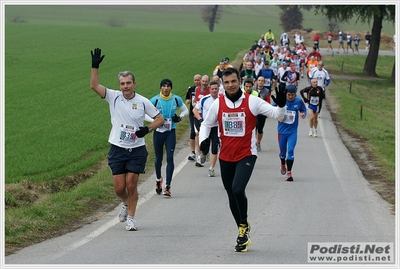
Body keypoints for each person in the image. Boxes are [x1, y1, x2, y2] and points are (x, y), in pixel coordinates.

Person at [199, 67, 287, 252]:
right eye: (227, 82)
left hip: (246, 154)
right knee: (231, 194)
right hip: (225, 156)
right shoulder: (218, 103)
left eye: (233, 81)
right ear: (223, 84)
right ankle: (242, 228)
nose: (230, 85)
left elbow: (278, 115)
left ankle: (243, 225)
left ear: (239, 81)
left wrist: (281, 105)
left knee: (238, 189)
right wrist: (203, 141)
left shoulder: (252, 102)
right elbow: (206, 124)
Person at [89, 48, 164, 231]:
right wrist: (95, 66)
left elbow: (160, 119)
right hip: (117, 148)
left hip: (136, 149)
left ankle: (131, 218)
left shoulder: (143, 101)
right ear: (119, 85)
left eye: (128, 83)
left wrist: (146, 130)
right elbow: (94, 86)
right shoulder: (113, 97)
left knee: (132, 184)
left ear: (134, 84)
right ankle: (124, 202)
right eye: (122, 83)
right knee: (119, 188)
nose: (125, 86)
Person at [149, 79, 188, 197]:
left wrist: (180, 118)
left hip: (170, 132)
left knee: (170, 158)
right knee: (159, 158)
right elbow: (145, 113)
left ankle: (168, 186)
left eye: (168, 86)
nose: (166, 88)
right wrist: (155, 121)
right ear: (160, 88)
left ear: (171, 88)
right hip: (159, 132)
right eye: (164, 86)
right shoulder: (155, 100)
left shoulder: (176, 99)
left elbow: (185, 110)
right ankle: (158, 180)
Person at [272, 85, 306, 181]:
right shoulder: (281, 100)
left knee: (290, 150)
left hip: (292, 131)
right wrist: (278, 117)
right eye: (288, 95)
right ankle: (283, 163)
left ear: (295, 94)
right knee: (282, 153)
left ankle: (289, 173)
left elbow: (303, 109)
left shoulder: (298, 101)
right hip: (281, 132)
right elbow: (271, 110)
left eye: (292, 95)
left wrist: (303, 114)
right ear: (286, 94)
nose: (290, 97)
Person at [193, 81, 220, 177]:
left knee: (215, 148)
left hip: (217, 127)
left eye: (216, 89)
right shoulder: (205, 99)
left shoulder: (222, 100)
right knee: (204, 145)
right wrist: (200, 119)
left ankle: (211, 168)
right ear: (209, 89)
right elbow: (195, 109)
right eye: (212, 89)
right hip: (206, 126)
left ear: (218, 89)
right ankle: (204, 153)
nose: (214, 91)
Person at [194, 75, 210, 167]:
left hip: (207, 118)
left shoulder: (210, 91)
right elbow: (195, 100)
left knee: (207, 137)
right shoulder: (197, 89)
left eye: (205, 81)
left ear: (208, 82)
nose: (204, 83)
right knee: (198, 135)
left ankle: (205, 152)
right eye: (202, 81)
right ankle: (199, 156)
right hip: (197, 116)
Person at [185, 74, 202, 161]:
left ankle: (202, 151)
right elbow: (187, 99)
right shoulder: (191, 89)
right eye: (195, 80)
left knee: (201, 133)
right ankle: (193, 152)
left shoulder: (204, 90)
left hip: (202, 114)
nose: (197, 81)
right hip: (193, 114)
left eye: (198, 80)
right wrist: (189, 101)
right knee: (193, 132)